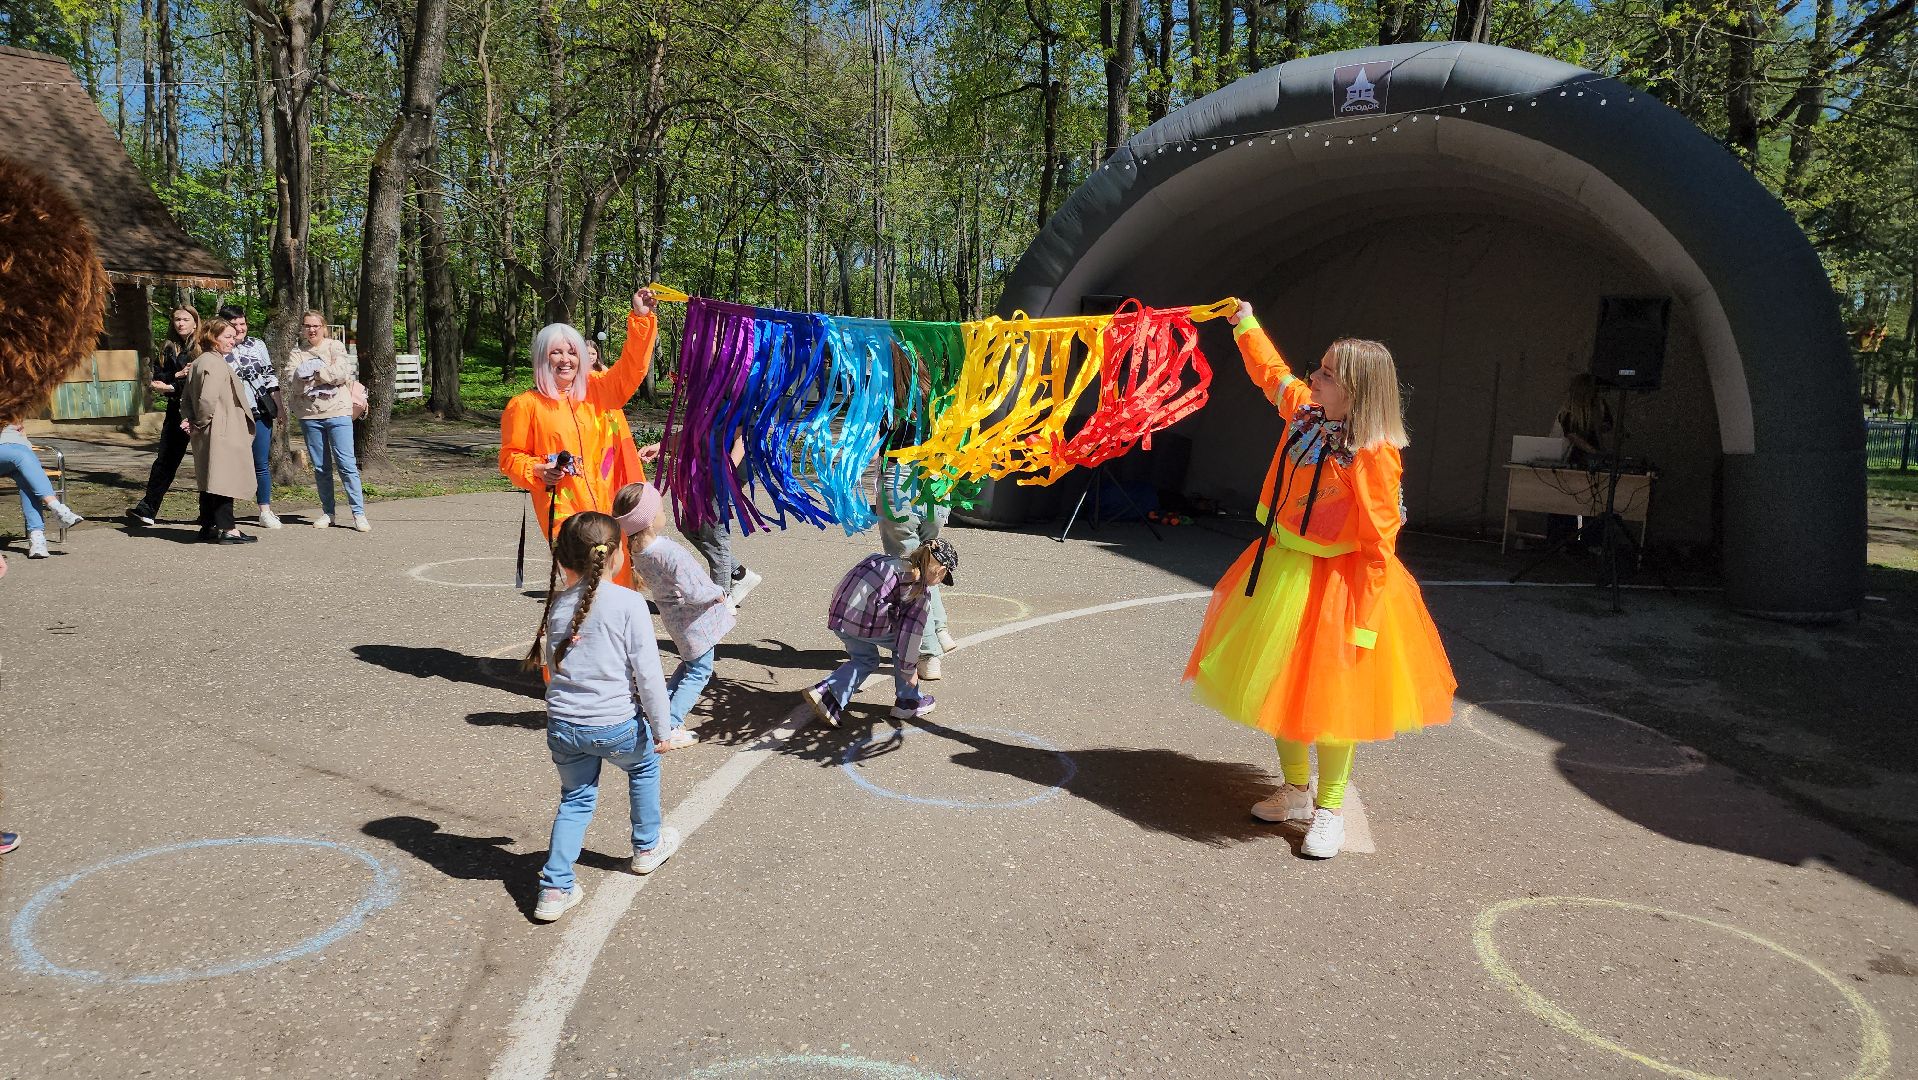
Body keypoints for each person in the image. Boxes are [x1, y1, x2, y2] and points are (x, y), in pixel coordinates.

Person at [1184, 303, 1455, 859]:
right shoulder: (1306, 414)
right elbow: (1272, 374)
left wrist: (1366, 623)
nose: (1314, 378)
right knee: (1278, 681)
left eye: (1327, 374)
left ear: (1355, 390)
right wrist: (1246, 324)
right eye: (1320, 369)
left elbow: (1381, 545)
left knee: (1335, 698)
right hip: (1287, 567)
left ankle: (1329, 807)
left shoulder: (1374, 455)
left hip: (1342, 585)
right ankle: (1295, 790)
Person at [526, 511, 681, 922]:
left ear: (562, 561)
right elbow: (648, 673)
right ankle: (647, 847)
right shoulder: (629, 603)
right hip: (615, 725)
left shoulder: (557, 605)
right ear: (616, 557)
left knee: (576, 799)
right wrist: (662, 728)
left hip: (564, 725)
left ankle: (555, 888)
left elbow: (552, 670)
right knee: (644, 768)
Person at [499, 289, 658, 541]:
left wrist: (641, 317)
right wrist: (538, 469)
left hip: (612, 506)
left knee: (620, 575)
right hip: (567, 513)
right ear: (542, 357)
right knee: (583, 575)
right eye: (556, 352)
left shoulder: (600, 389)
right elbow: (510, 458)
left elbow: (632, 366)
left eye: (572, 352)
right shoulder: (525, 405)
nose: (566, 360)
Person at [612, 481, 730, 743]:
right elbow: (694, 591)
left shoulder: (638, 551)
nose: (664, 514)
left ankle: (659, 715)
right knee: (700, 671)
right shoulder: (668, 552)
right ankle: (670, 725)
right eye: (660, 509)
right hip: (692, 620)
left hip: (674, 619)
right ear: (650, 519)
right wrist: (718, 593)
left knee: (690, 665)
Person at [803, 538, 958, 729]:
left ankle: (829, 694)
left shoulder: (885, 560)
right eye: (943, 578)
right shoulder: (918, 591)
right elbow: (910, 636)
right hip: (863, 621)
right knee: (903, 645)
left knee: (864, 659)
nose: (939, 583)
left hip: (839, 613)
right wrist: (909, 670)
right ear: (941, 571)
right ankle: (907, 701)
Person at [637, 435, 764, 606]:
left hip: (723, 475)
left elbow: (742, 437)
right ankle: (739, 574)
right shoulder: (702, 407)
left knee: (716, 537)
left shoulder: (733, 407)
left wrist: (726, 473)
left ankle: (720, 602)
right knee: (691, 527)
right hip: (703, 471)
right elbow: (695, 429)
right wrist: (662, 445)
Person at [285, 309, 369, 532]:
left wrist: (315, 374)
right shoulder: (297, 352)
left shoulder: (335, 347)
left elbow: (342, 372)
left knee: (346, 463)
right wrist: (322, 374)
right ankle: (328, 512)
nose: (311, 330)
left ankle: (358, 513)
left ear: (323, 327)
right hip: (310, 416)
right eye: (307, 326)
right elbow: (294, 381)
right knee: (321, 467)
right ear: (302, 328)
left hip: (338, 412)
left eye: (316, 326)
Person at [185, 318, 260, 545]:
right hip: (220, 428)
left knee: (210, 477)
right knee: (223, 479)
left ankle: (209, 526)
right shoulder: (215, 364)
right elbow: (208, 398)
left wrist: (192, 421)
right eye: (227, 336)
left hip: (210, 429)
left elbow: (186, 397)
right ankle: (228, 528)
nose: (233, 340)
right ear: (213, 338)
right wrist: (201, 420)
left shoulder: (199, 361)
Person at [128, 306, 200, 525]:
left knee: (207, 461)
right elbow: (159, 379)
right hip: (176, 409)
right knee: (165, 461)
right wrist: (176, 376)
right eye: (177, 319)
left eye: (185, 319)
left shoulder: (202, 347)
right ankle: (147, 508)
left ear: (195, 322)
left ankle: (213, 514)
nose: (180, 323)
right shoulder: (169, 348)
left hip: (200, 410)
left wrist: (172, 384)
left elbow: (199, 382)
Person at [219, 304, 283, 529]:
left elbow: (270, 375)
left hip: (260, 411)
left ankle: (265, 510)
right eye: (233, 325)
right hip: (233, 415)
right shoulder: (218, 349)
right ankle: (224, 515)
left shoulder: (257, 345)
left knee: (261, 464)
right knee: (231, 464)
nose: (239, 328)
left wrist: (279, 405)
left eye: (242, 323)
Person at [1, 421, 84, 558]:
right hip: (13, 455)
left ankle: (37, 539)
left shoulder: (14, 410)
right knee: (22, 455)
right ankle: (56, 507)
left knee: (26, 479)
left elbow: (22, 434)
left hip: (18, 457)